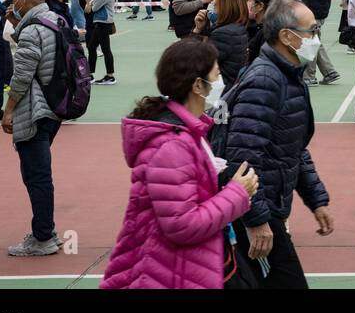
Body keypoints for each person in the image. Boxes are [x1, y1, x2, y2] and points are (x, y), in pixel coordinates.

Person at [101, 38, 258, 288]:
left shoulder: (190, 133)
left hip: (185, 267)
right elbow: (181, 224)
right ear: (198, 85)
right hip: (167, 272)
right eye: (216, 75)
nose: (221, 83)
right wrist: (236, 194)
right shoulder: (172, 147)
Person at [222, 0, 334, 287]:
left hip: (268, 205)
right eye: (312, 30)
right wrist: (256, 220)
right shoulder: (265, 80)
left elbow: (292, 147)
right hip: (258, 210)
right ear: (287, 36)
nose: (316, 37)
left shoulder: (288, 76)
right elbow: (242, 160)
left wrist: (316, 200)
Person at [0, 0, 70, 257]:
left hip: (35, 110)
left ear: (20, 0)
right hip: (56, 107)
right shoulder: (55, 19)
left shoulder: (33, 31)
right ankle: (46, 231)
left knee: (36, 175)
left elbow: (23, 74)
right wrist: (18, 27)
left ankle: (43, 237)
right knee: (39, 172)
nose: (10, 4)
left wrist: (9, 109)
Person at [296, 0, 340, 85]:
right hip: (313, 10)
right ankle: (329, 72)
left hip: (315, 12)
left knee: (310, 43)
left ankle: (309, 76)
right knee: (315, 42)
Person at [197, 0, 249, 85]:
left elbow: (197, 61)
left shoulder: (224, 34)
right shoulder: (237, 28)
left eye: (215, 4)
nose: (211, 9)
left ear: (226, 6)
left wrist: (196, 31)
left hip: (217, 90)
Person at [87, 0, 119, 86]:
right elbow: (94, 1)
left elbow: (94, 7)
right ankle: (90, 74)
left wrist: (90, 5)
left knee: (105, 49)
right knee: (91, 46)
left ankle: (110, 76)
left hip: (103, 21)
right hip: (101, 21)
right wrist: (91, 3)